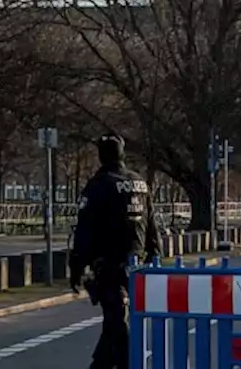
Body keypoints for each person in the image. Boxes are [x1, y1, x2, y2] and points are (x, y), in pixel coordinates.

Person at [68, 133, 162, 369]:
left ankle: (124, 363)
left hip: (109, 263)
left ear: (101, 156)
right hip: (137, 263)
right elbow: (151, 222)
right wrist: (155, 254)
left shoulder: (99, 185)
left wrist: (76, 267)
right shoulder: (139, 182)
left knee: (117, 322)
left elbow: (85, 231)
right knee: (116, 321)